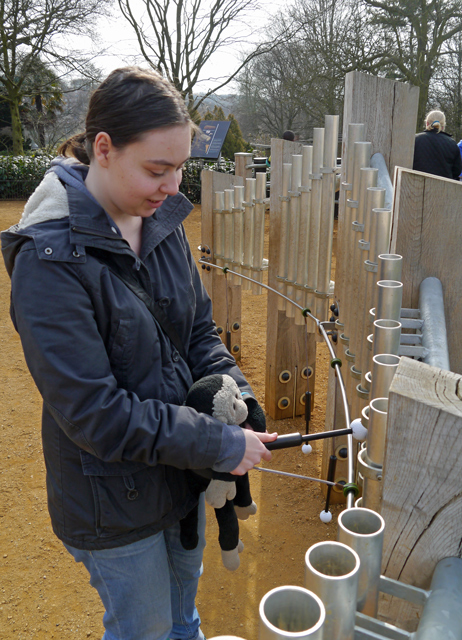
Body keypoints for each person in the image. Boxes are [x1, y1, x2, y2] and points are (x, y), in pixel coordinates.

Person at [1, 67, 277, 640]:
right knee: (144, 630)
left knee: (183, 616)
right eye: (158, 168)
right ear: (104, 148)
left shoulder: (161, 219)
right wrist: (217, 442)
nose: (174, 186)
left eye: (180, 167)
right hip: (111, 497)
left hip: (181, 473)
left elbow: (199, 331)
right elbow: (95, 414)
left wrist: (237, 397)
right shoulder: (49, 261)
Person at [413, 109, 462, 181]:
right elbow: (457, 171)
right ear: (443, 126)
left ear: (427, 123)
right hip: (443, 188)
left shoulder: (415, 140)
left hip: (416, 184)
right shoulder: (452, 144)